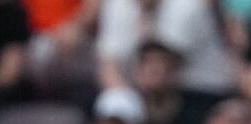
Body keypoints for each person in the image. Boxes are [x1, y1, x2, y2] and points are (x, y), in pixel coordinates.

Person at [96, 0, 236, 99]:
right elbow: (108, 63)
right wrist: (123, 100)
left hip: (201, 92)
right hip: (148, 93)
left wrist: (144, 16)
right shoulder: (117, 4)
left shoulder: (189, 5)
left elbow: (160, 66)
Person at [133, 39, 208, 124]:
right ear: (139, 71)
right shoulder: (129, 116)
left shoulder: (194, 118)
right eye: (149, 64)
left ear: (175, 72)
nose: (155, 70)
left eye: (162, 65)